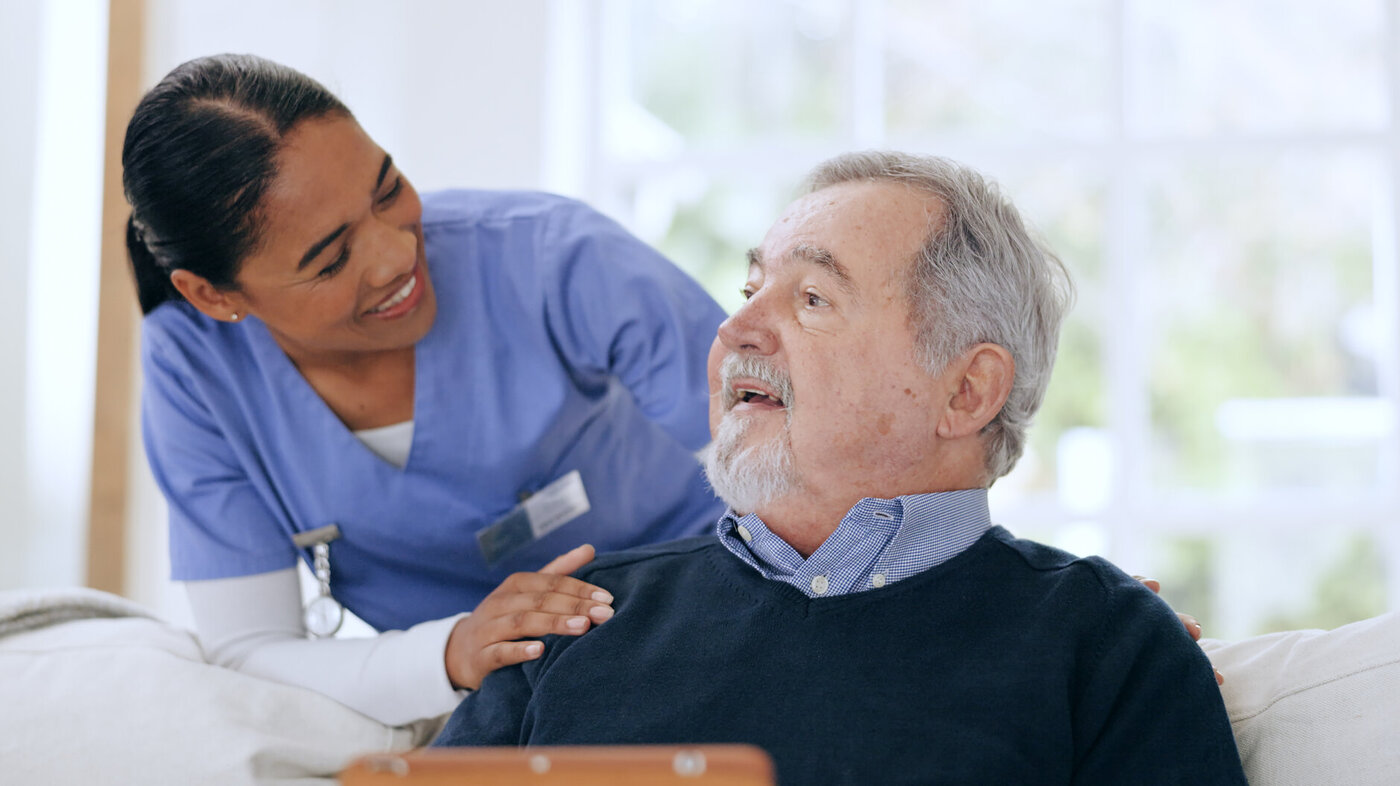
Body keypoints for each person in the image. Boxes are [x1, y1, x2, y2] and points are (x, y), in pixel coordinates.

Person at [433, 151, 1247, 783]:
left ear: (966, 391)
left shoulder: (1106, 644)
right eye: (750, 287)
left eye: (813, 298)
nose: (737, 328)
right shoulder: (577, 618)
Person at [124, 54, 726, 725]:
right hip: (464, 698)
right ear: (215, 295)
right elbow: (251, 652)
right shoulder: (195, 368)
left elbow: (793, 464)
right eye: (331, 258)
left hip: (697, 607)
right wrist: (454, 650)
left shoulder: (549, 256)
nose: (395, 255)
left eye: (387, 191)